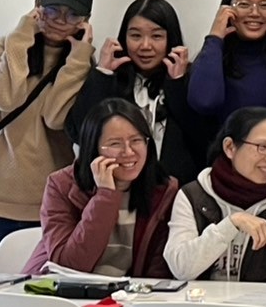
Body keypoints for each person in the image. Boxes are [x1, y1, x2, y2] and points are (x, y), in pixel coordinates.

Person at [0, 0, 95, 267]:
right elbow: (6, 98)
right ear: (37, 7)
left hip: (46, 208)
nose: (60, 20)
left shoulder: (81, 64)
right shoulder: (5, 47)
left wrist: (79, 57)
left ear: (85, 22)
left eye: (72, 14)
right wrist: (21, 36)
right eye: (53, 9)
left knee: (39, 295)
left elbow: (55, 117)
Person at [24, 98, 177, 278]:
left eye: (136, 140)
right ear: (93, 147)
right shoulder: (61, 185)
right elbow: (69, 266)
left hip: (123, 293)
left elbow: (157, 272)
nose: (128, 152)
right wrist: (106, 195)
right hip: (56, 288)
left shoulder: (164, 191)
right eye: (115, 143)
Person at [67, 0, 209, 187]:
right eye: (135, 36)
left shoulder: (190, 78)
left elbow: (204, 140)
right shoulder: (109, 79)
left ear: (170, 39)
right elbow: (79, 132)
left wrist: (177, 85)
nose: (145, 46)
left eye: (156, 36)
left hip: (177, 192)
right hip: (119, 190)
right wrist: (102, 74)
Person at [164, 106, 266, 283]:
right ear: (230, 147)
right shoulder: (192, 196)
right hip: (196, 300)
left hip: (258, 301)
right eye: (262, 147)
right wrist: (231, 224)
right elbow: (180, 269)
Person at [188, 0, 266, 125]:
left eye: (264, 5)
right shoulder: (215, 56)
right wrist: (215, 38)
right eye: (244, 4)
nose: (254, 13)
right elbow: (204, 102)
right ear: (227, 9)